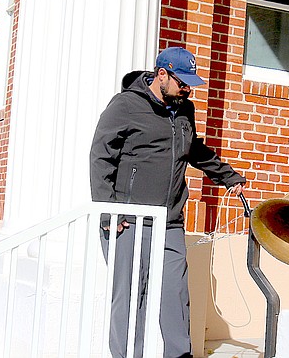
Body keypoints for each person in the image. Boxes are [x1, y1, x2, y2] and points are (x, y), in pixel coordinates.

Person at [90, 46, 246, 358]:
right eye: (182, 82)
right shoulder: (126, 106)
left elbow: (194, 150)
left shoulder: (184, 110)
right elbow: (100, 155)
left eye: (190, 83)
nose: (187, 89)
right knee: (132, 297)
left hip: (170, 222)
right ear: (162, 74)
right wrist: (110, 210)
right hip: (128, 222)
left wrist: (228, 176)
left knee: (175, 295)